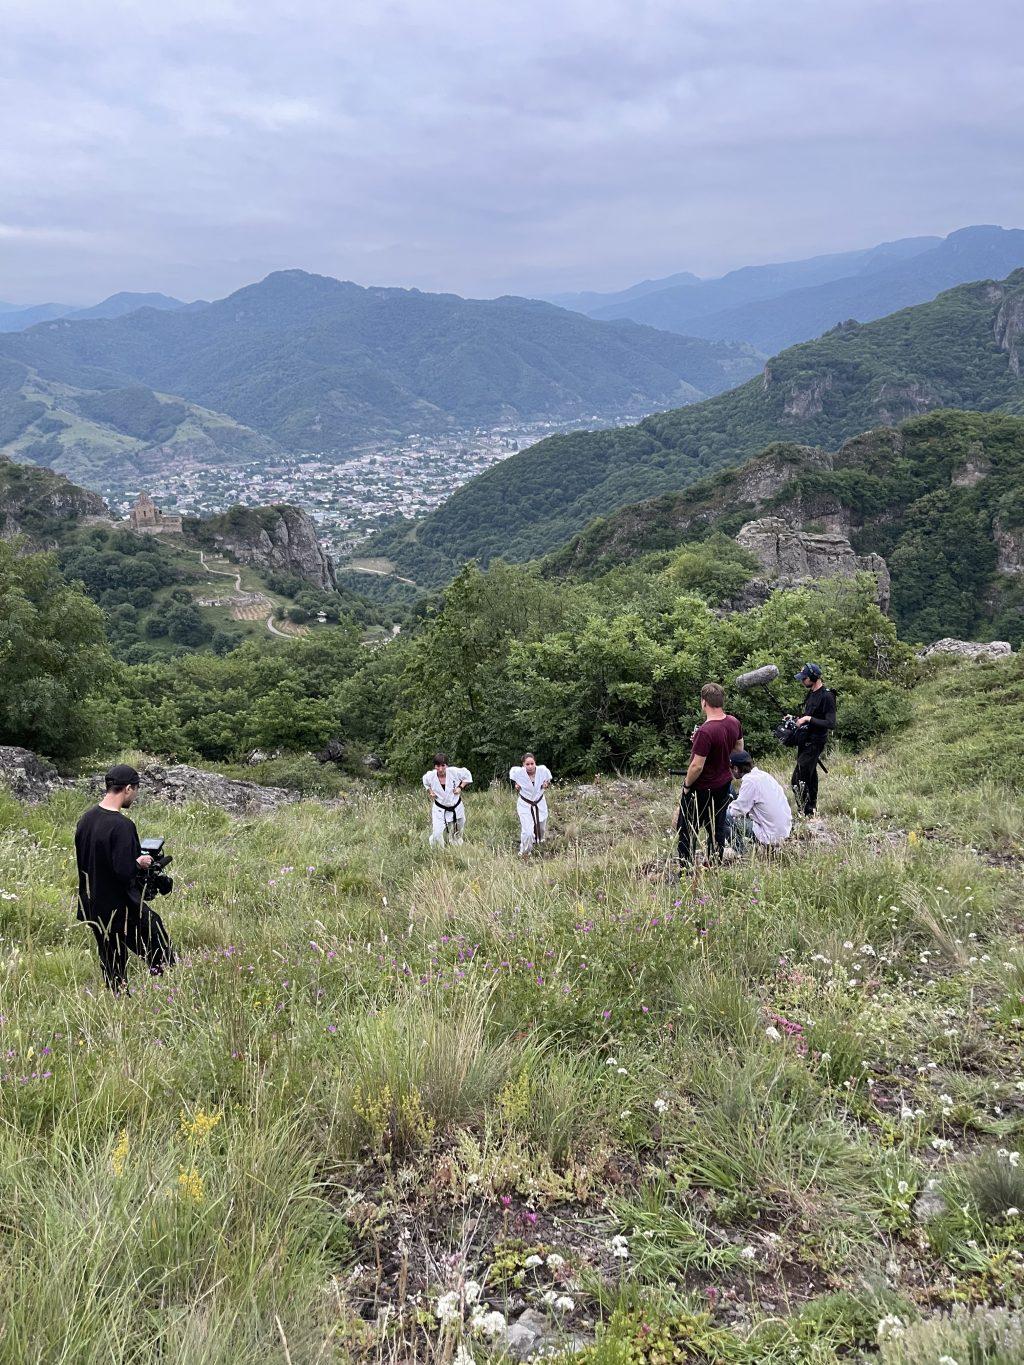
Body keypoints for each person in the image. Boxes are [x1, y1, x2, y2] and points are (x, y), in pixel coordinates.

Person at [74, 764, 175, 993]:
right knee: (157, 943)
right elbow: (124, 872)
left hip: (93, 904)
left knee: (112, 960)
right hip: (121, 906)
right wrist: (139, 862)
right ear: (128, 788)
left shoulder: (86, 819)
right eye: (136, 790)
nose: (135, 796)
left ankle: (118, 1000)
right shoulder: (122, 826)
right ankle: (166, 991)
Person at [676, 682, 744, 865]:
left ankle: (685, 870)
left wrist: (686, 786)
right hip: (723, 785)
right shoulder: (733, 722)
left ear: (704, 702)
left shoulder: (705, 731)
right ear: (722, 700)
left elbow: (696, 766)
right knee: (716, 829)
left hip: (702, 788)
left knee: (687, 830)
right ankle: (714, 864)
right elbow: (739, 749)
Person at [725, 750, 793, 855]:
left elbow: (737, 811)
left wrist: (728, 806)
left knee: (723, 816)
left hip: (770, 835)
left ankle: (740, 852)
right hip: (784, 830)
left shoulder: (749, 781)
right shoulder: (763, 775)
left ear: (735, 768)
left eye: (731, 769)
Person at [791, 662, 836, 816]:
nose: (802, 681)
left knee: (798, 779)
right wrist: (797, 718)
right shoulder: (811, 693)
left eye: (804, 678)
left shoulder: (827, 696)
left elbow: (830, 723)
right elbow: (808, 715)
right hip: (805, 739)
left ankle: (805, 810)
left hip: (816, 741)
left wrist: (808, 719)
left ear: (813, 678)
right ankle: (811, 809)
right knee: (810, 775)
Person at [422, 752, 473, 846]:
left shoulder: (454, 772)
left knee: (457, 832)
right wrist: (430, 792)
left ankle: (455, 848)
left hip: (456, 807)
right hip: (439, 808)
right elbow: (425, 782)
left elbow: (467, 776)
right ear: (434, 766)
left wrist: (460, 787)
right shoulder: (430, 776)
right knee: (437, 833)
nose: (440, 769)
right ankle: (437, 851)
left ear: (446, 765)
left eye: (443, 765)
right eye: (437, 766)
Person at [509, 752, 552, 855]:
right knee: (527, 832)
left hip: (539, 802)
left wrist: (546, 784)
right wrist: (516, 785)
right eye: (527, 764)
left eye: (532, 763)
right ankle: (524, 852)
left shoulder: (542, 770)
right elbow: (515, 780)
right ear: (523, 765)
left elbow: (548, 779)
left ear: (535, 763)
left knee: (541, 827)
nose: (530, 766)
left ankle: (538, 842)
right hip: (525, 804)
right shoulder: (518, 772)